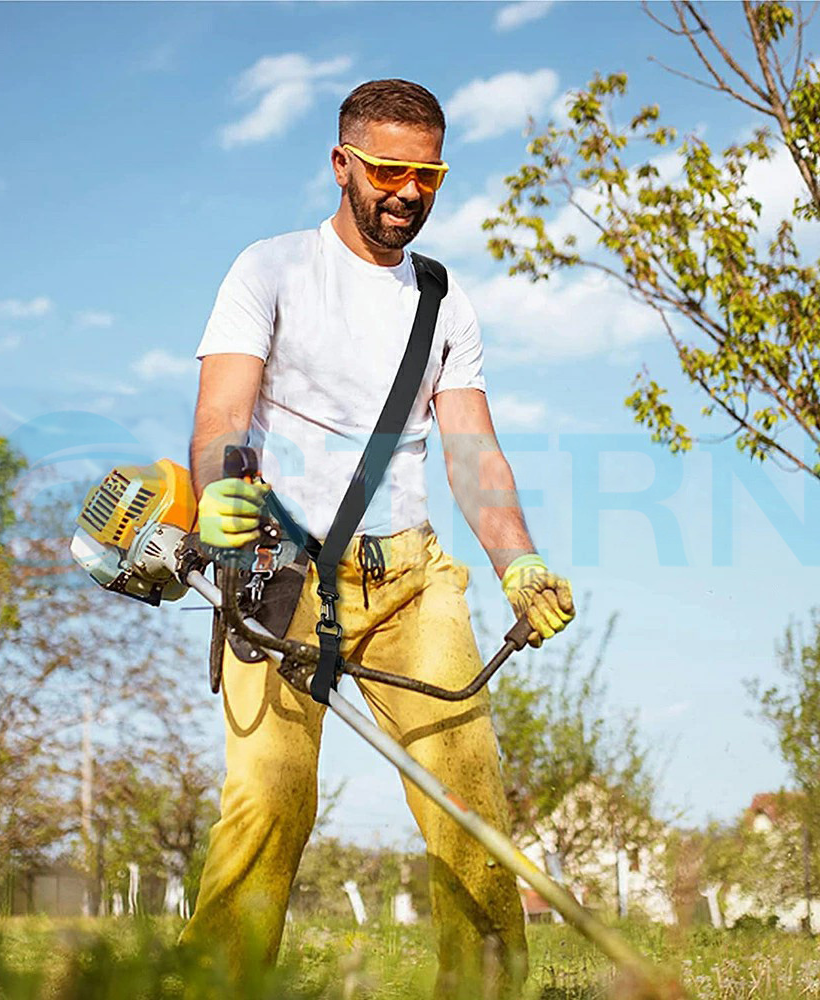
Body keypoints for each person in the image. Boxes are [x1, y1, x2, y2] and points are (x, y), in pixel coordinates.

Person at [181, 78, 575, 999]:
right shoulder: (270, 269)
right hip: (278, 571)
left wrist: (518, 559)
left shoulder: (444, 301)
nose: (407, 192)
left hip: (410, 578)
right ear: (343, 163)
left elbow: (472, 451)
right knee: (271, 799)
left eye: (427, 173)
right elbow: (220, 415)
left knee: (469, 803)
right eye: (389, 170)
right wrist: (218, 495)